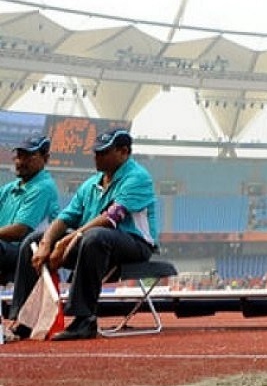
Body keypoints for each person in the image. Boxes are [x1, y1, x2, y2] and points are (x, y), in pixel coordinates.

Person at [7, 130, 157, 341]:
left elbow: (110, 218)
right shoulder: (91, 184)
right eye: (95, 152)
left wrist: (66, 241)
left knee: (96, 235)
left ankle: (85, 320)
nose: (96, 157)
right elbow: (65, 218)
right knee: (34, 240)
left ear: (123, 152)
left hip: (134, 244)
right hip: (91, 243)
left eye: (103, 152)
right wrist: (47, 243)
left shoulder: (138, 178)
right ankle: (25, 319)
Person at [0, 135, 60, 286]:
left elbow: (19, 230)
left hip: (30, 253)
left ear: (45, 158)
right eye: (19, 156)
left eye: (29, 156)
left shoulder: (43, 187)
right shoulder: (9, 189)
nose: (20, 162)